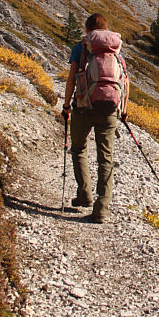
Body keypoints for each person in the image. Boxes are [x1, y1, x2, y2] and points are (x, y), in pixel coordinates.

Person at [61, 13, 129, 223]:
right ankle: (101, 208)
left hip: (83, 106)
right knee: (105, 158)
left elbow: (72, 79)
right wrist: (123, 110)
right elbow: (125, 82)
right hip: (109, 109)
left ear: (88, 29)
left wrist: (66, 106)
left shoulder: (80, 48)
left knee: (78, 149)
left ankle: (84, 194)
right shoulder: (115, 50)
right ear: (106, 29)